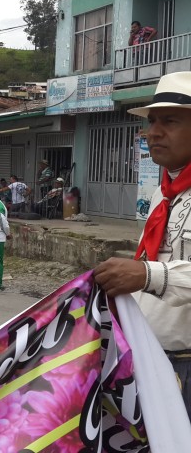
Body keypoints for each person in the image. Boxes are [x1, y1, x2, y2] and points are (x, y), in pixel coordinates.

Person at [93, 71, 191, 421]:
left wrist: (147, 275)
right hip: (151, 356)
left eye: (170, 121)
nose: (154, 132)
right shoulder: (163, 193)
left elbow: (152, 272)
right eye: (151, 121)